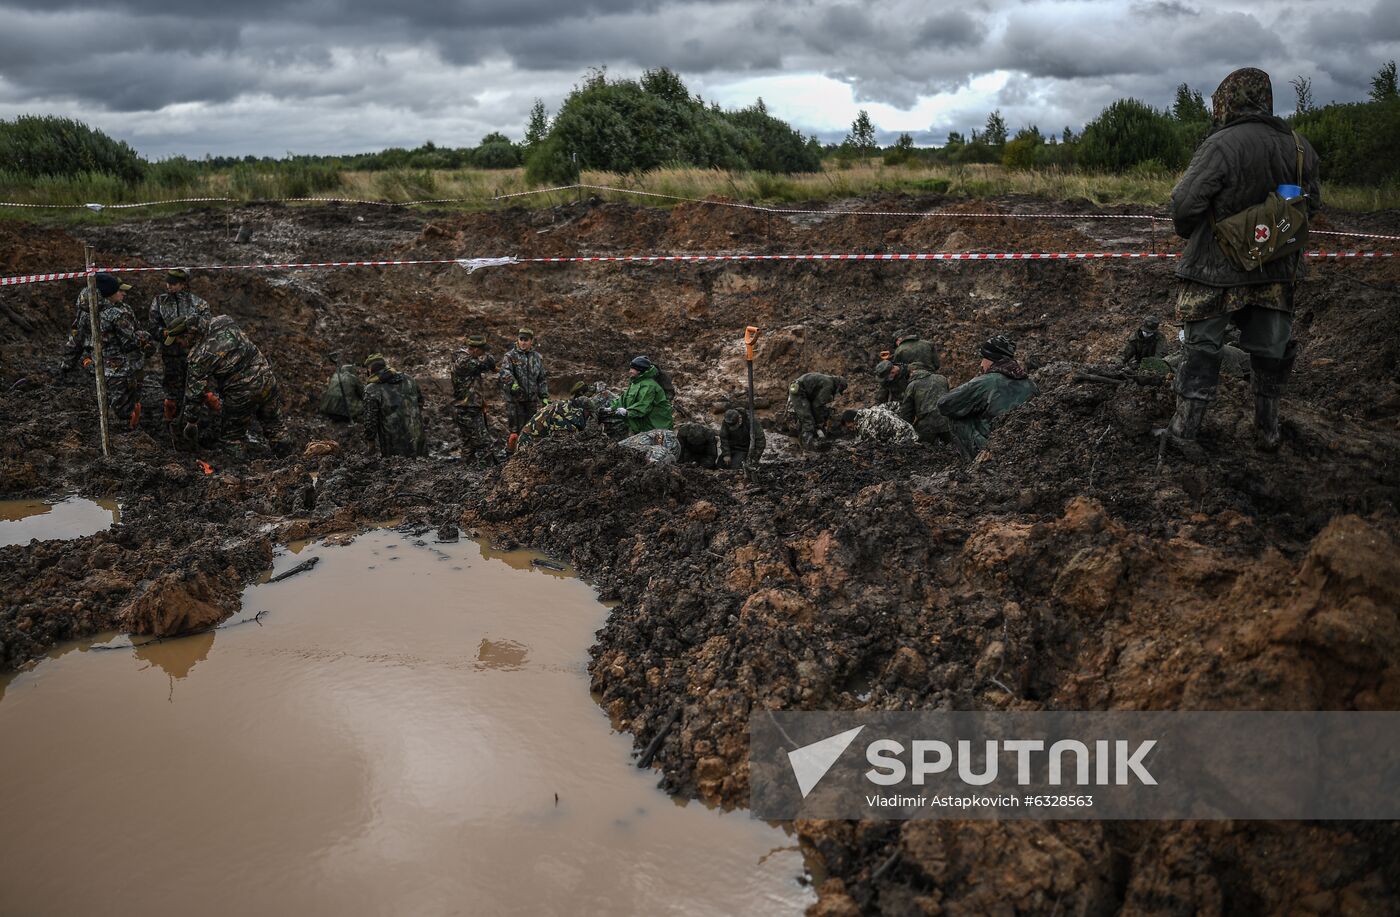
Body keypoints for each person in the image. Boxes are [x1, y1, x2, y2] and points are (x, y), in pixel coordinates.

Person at [1165, 66, 1321, 452]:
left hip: (1215, 271)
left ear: (1227, 101)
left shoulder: (1221, 144)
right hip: (1277, 269)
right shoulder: (1300, 147)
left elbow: (1185, 204)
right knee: (1272, 350)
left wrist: (1199, 234)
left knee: (1202, 347)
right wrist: (1272, 237)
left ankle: (1185, 434)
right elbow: (1311, 206)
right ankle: (1267, 432)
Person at [166, 313, 286, 458]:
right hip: (266, 378)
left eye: (179, 340)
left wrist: (191, 421)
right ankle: (290, 464)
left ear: (187, 335)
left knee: (232, 439)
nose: (180, 345)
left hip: (241, 393)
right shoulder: (224, 320)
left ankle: (238, 472)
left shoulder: (198, 356)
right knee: (276, 427)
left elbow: (194, 394)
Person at [59, 272, 151, 431]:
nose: (122, 293)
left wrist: (67, 364)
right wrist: (144, 336)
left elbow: (76, 339)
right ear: (109, 294)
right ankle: (128, 432)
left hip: (94, 365)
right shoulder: (117, 314)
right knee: (121, 411)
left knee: (104, 404)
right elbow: (130, 343)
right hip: (118, 370)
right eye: (118, 291)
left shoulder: (84, 312)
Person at [936, 335, 1038, 460]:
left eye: (983, 359)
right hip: (1025, 446)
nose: (981, 364)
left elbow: (944, 404)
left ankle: (973, 463)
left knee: (957, 416)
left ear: (991, 359)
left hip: (994, 450)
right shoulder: (1030, 383)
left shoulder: (987, 382)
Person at [148, 269, 211, 418]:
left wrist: (190, 334)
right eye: (168, 283)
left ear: (183, 284)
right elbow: (152, 326)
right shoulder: (159, 301)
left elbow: (207, 326)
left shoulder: (198, 304)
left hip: (194, 353)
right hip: (171, 353)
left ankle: (197, 418)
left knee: (196, 386)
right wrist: (165, 334)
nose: (169, 286)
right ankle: (171, 419)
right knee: (172, 387)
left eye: (173, 284)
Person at [361, 354, 426, 457]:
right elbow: (420, 402)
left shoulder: (372, 389)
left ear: (369, 370)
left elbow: (370, 420)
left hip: (394, 444)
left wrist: (370, 442)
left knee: (398, 469)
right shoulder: (408, 379)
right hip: (417, 438)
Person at [451, 334, 498, 460]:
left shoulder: (467, 359)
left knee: (469, 445)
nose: (483, 353)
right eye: (483, 350)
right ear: (476, 349)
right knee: (484, 443)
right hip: (467, 410)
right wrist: (490, 362)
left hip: (468, 408)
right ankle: (489, 472)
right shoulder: (464, 361)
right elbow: (486, 364)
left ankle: (465, 474)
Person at [498, 328, 547, 434]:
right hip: (516, 401)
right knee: (515, 431)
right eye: (521, 339)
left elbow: (541, 378)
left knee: (530, 429)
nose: (523, 342)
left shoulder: (537, 358)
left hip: (531, 401)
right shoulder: (510, 356)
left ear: (531, 341)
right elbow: (505, 373)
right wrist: (513, 384)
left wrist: (544, 397)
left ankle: (526, 450)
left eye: (526, 340)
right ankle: (513, 450)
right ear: (518, 340)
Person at [606, 356, 673, 434]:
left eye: (632, 369)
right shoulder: (636, 382)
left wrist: (627, 412)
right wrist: (612, 407)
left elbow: (644, 405)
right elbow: (624, 398)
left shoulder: (649, 386)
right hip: (644, 423)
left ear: (640, 370)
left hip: (656, 426)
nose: (630, 371)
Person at [516, 381, 592, 449]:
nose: (588, 417)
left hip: (533, 439)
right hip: (528, 444)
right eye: (588, 414)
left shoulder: (565, 407)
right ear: (581, 410)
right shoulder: (565, 417)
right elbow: (563, 445)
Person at [786, 372, 847, 450]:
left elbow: (817, 403)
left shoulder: (828, 381)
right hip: (799, 392)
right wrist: (819, 422)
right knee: (808, 420)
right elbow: (817, 405)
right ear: (839, 386)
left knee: (807, 417)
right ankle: (807, 449)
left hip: (801, 391)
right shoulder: (829, 385)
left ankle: (799, 443)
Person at [898, 365, 953, 445]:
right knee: (953, 450)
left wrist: (905, 429)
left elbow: (907, 412)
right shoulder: (942, 378)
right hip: (946, 422)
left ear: (911, 372)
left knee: (923, 451)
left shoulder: (912, 385)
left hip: (926, 426)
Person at [836, 405, 919, 444]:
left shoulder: (865, 425)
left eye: (850, 427)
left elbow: (869, 444)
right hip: (909, 429)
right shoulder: (872, 410)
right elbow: (896, 404)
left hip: (905, 439)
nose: (851, 429)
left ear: (854, 420)